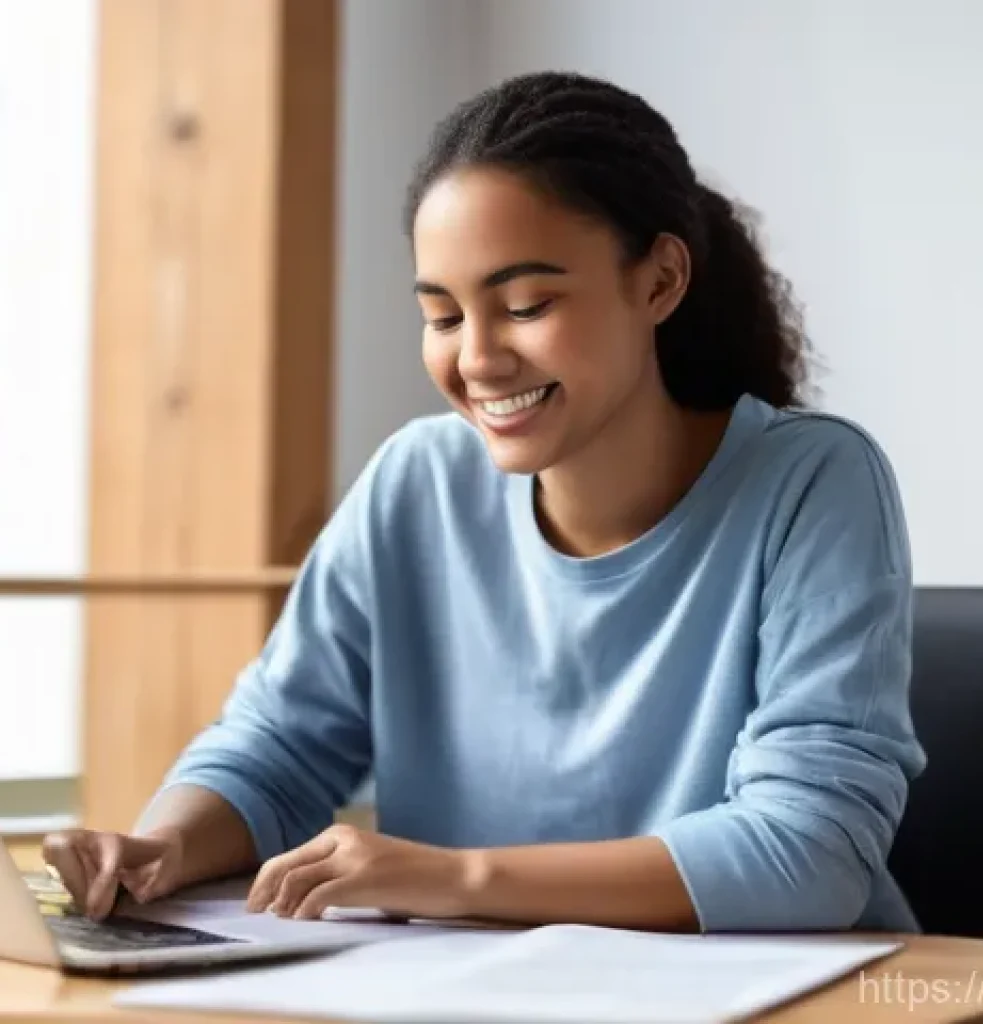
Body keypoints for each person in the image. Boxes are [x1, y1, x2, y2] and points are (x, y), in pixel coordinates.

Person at [44, 70, 925, 934]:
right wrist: (164, 844)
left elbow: (809, 851)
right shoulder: (414, 485)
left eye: (526, 304)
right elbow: (277, 750)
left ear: (659, 281)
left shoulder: (814, 483)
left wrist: (450, 878)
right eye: (443, 316)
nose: (478, 360)